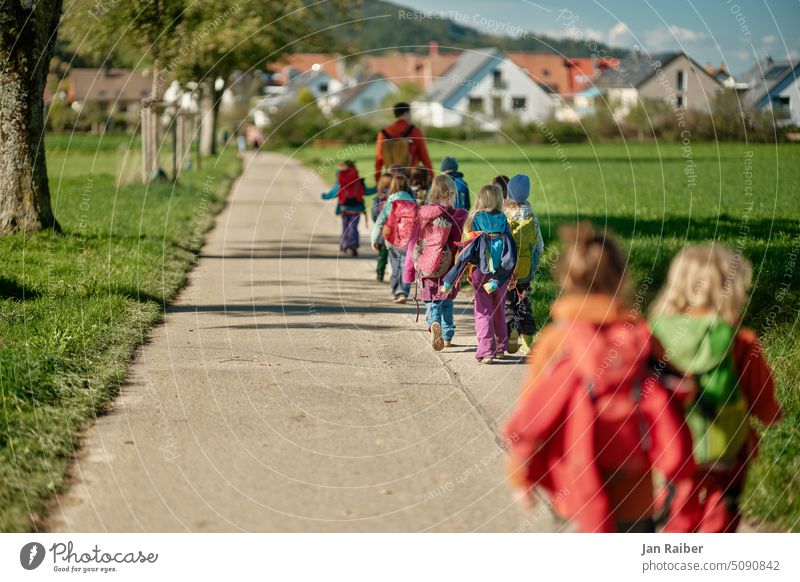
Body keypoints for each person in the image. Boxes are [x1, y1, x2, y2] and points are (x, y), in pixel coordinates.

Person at [504, 222, 696, 533]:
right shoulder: (640, 336)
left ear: (564, 281)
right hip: (636, 491)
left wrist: (520, 475)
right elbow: (680, 389)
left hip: (576, 485)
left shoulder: (556, 341)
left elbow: (533, 411)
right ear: (622, 279)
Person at [649, 245, 782, 533]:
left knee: (678, 509)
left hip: (672, 444)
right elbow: (761, 397)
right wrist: (772, 415)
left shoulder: (655, 336)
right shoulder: (740, 341)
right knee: (722, 508)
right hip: (727, 447)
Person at [442, 185, 516, 363]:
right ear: (499, 200)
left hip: (479, 272)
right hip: (501, 275)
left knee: (483, 312)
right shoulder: (503, 219)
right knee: (499, 309)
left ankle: (486, 351)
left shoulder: (474, 218)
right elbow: (510, 247)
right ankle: (500, 348)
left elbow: (466, 246)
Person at [403, 175, 468, 350]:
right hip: (449, 269)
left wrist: (408, 271)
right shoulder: (458, 216)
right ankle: (447, 336)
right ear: (452, 193)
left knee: (431, 301)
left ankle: (433, 323)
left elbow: (412, 243)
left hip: (427, 266)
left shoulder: (423, 214)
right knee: (447, 302)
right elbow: (460, 244)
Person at [503, 174, 544, 354]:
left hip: (507, 267)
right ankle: (528, 343)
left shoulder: (505, 215)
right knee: (524, 303)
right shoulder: (532, 216)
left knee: (508, 303)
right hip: (526, 268)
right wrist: (535, 263)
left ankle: (511, 329)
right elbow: (539, 246)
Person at [371, 173, 416, 303]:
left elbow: (380, 222)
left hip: (392, 241)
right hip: (408, 241)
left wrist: (374, 239)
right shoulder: (412, 203)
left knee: (395, 264)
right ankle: (404, 291)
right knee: (405, 265)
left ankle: (396, 290)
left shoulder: (390, 202)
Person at [320, 161, 376, 257]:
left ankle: (344, 245)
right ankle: (353, 244)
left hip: (344, 210)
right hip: (357, 209)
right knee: (353, 227)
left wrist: (324, 196)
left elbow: (332, 194)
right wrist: (377, 188)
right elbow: (366, 192)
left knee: (345, 227)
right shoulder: (358, 181)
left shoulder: (340, 183)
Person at [375, 102, 433, 181]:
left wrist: (378, 179)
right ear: (406, 113)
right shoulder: (415, 131)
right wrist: (431, 176)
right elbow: (424, 157)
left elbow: (379, 159)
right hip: (410, 178)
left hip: (390, 179)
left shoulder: (383, 133)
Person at [371, 173, 394, 281]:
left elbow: (374, 214)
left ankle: (380, 273)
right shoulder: (394, 197)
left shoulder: (378, 198)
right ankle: (393, 274)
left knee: (382, 254)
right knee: (393, 254)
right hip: (394, 230)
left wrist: (377, 222)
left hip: (382, 231)